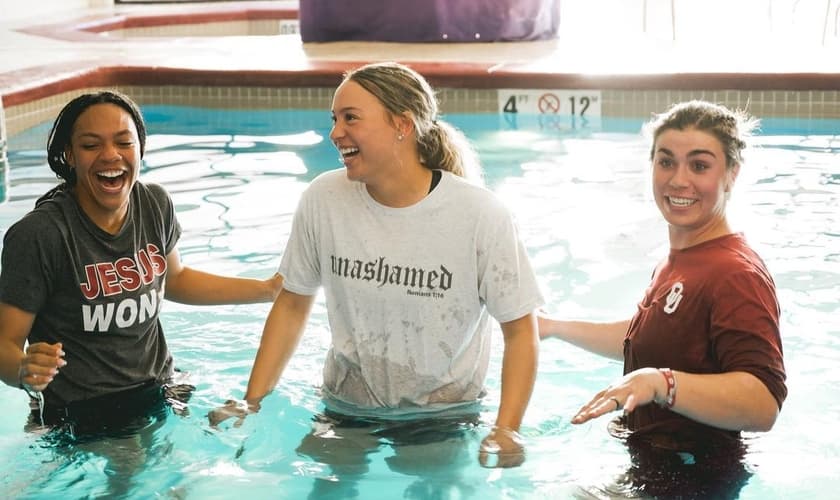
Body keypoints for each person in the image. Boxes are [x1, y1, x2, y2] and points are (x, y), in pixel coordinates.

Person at [211, 62, 544, 471]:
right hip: (346, 405)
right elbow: (293, 303)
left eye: (350, 118)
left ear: (402, 125)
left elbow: (520, 329)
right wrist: (252, 402)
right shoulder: (324, 199)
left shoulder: (479, 214)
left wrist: (507, 428)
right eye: (334, 119)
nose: (335, 133)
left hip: (441, 415)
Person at [539, 100, 787, 498]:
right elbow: (654, 336)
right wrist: (553, 328)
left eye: (700, 166)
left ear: (731, 175)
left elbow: (762, 402)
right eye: (666, 162)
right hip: (655, 468)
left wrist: (662, 384)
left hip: (691, 477)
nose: (678, 180)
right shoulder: (684, 259)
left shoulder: (734, 274)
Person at [0, 90, 283, 436]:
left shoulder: (154, 203)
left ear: (140, 149)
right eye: (91, 146)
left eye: (124, 143)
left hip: (159, 384)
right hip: (82, 407)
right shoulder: (39, 235)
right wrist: (24, 369)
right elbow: (5, 343)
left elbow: (174, 278)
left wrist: (268, 290)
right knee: (132, 474)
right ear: (69, 155)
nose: (110, 156)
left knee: (223, 437)